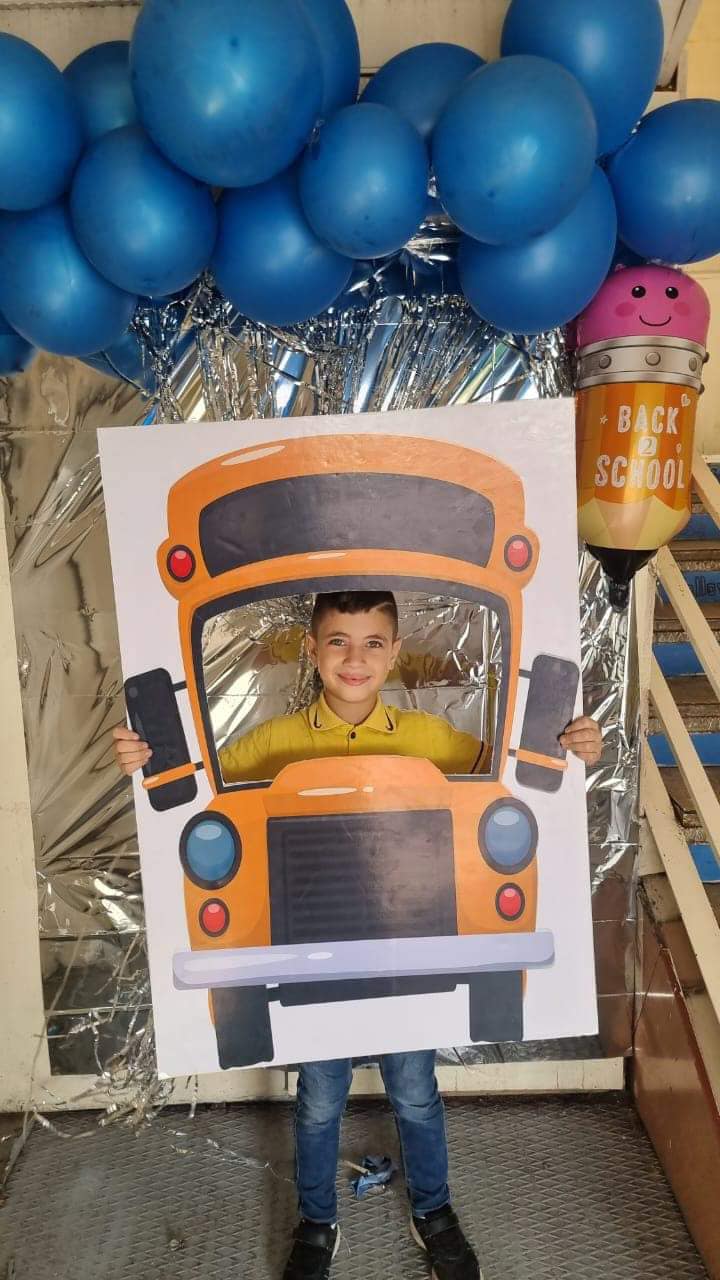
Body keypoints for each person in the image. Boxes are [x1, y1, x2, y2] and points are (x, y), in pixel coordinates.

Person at [114, 590, 602, 1280]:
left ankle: (433, 1210)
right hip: (313, 956)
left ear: (394, 653)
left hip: (409, 951)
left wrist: (569, 745)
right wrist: (143, 759)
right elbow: (190, 795)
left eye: (373, 642)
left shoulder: (431, 739)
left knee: (415, 1089)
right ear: (311, 650)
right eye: (338, 641)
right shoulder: (271, 744)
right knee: (319, 1099)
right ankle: (318, 1221)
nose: (355, 658)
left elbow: (516, 785)